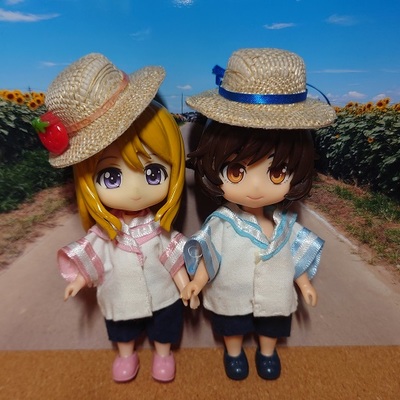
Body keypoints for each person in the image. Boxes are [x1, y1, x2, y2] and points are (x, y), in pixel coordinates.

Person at [32, 53, 198, 383]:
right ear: (86, 181)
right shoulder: (106, 233)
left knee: (165, 323)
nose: (135, 192)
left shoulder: (158, 228)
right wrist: (80, 280)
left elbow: (171, 253)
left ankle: (163, 353)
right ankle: (126, 354)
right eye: (112, 177)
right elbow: (93, 255)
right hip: (120, 295)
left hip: (162, 292)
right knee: (121, 327)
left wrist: (185, 284)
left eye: (153, 173)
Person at [181, 48, 336, 380]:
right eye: (236, 172)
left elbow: (296, 254)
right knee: (231, 324)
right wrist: (197, 281)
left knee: (273, 324)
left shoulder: (286, 225)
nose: (255, 187)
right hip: (230, 292)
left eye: (277, 173)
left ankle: (267, 352)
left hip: (275, 294)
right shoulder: (221, 223)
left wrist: (303, 283)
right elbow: (209, 254)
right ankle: (233, 352)